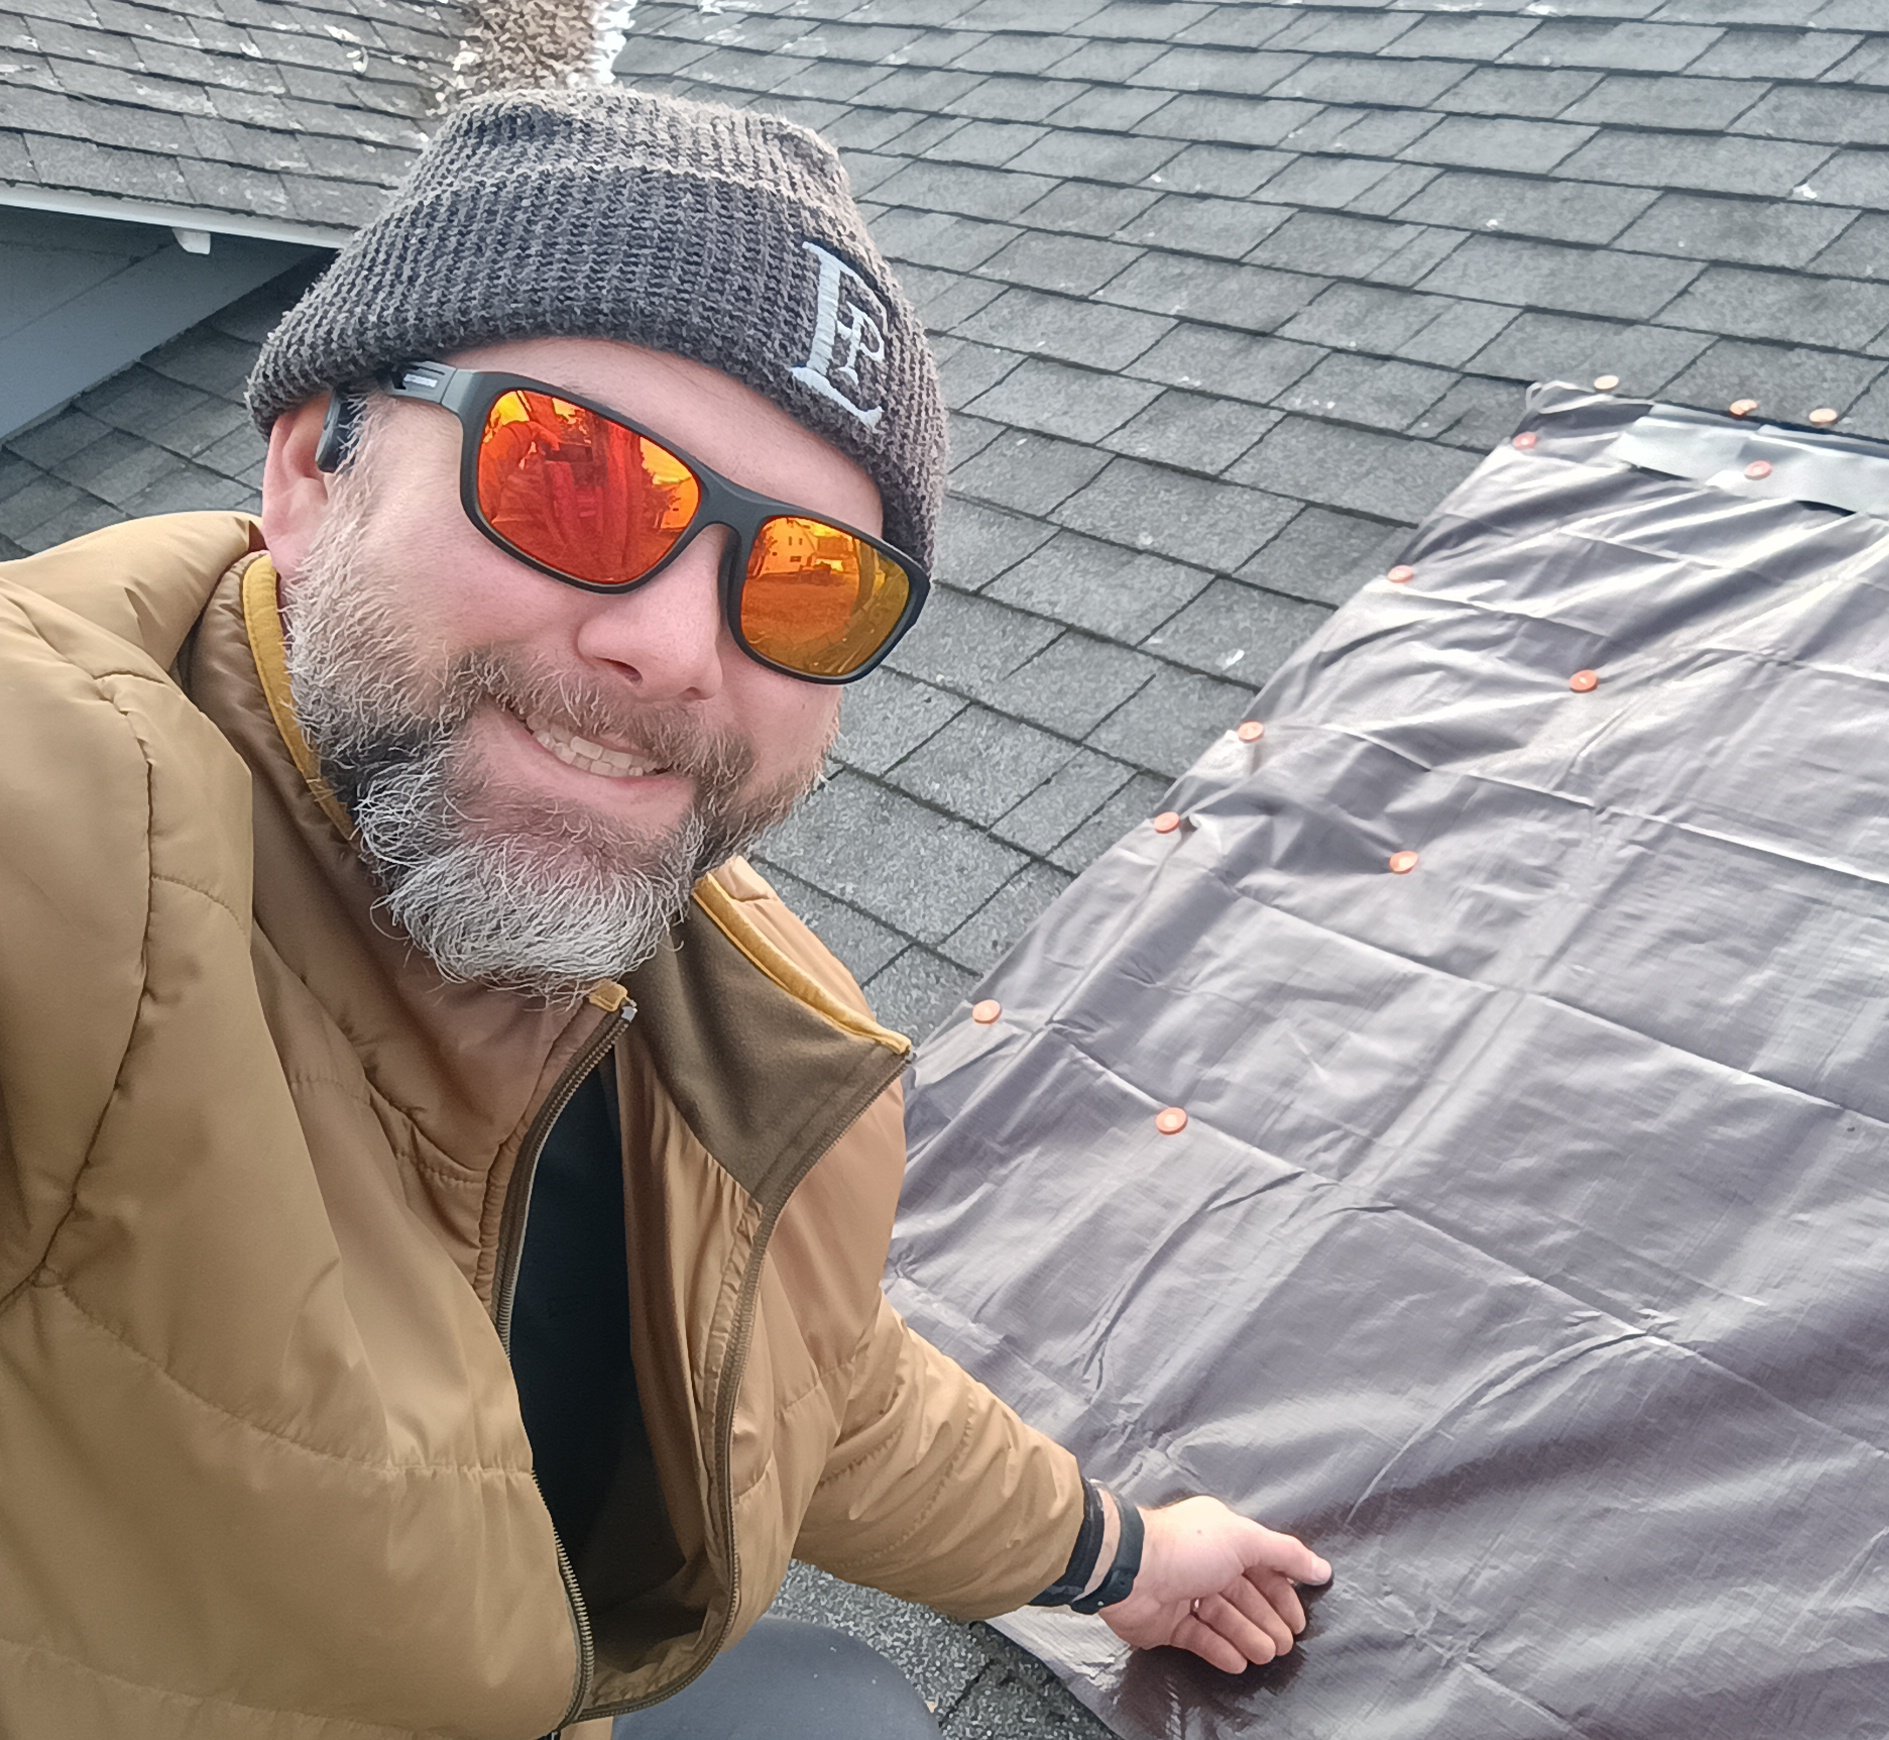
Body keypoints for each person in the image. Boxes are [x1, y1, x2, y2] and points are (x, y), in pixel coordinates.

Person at [0, 87, 1329, 1739]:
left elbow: (786, 1382)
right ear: (312, 474)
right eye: (574, 482)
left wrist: (1116, 1552)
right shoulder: (67, 830)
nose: (677, 647)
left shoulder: (725, 1013)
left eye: (805, 586)